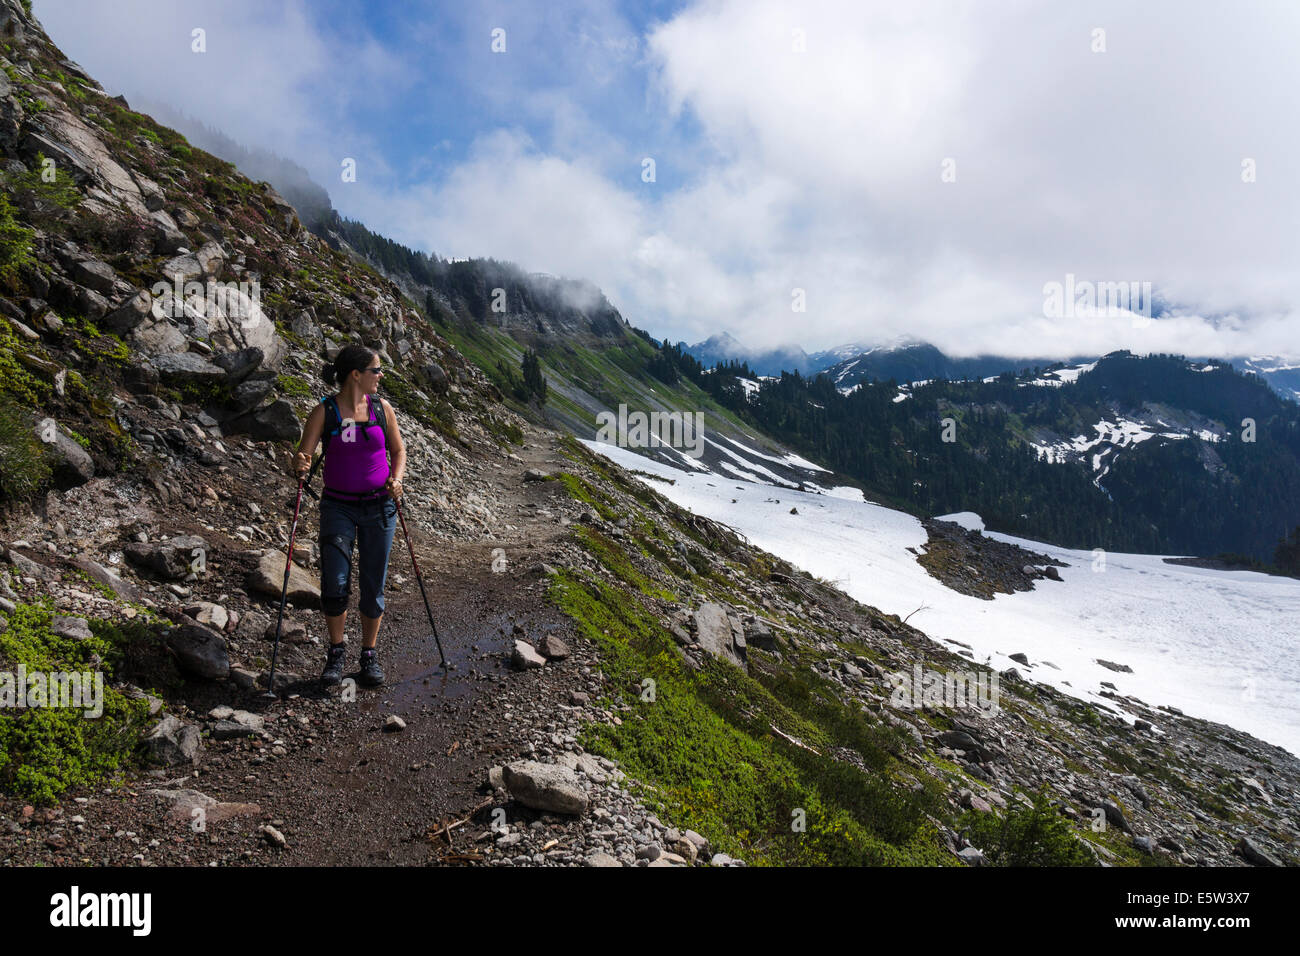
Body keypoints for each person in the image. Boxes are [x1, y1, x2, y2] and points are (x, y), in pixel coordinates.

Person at [291, 344, 406, 687]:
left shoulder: (382, 409)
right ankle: (337, 652)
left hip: (379, 505)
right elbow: (304, 453)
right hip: (338, 506)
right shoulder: (324, 412)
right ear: (356, 374)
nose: (381, 376)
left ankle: (368, 655)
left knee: (373, 584)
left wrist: (396, 480)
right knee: (335, 583)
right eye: (376, 370)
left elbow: (398, 450)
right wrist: (299, 462)